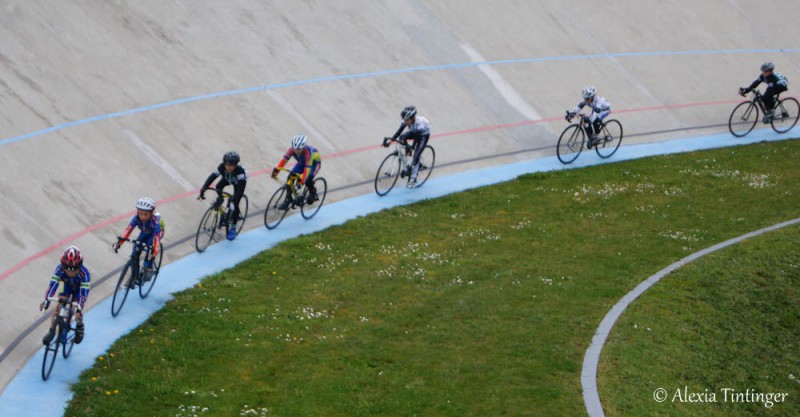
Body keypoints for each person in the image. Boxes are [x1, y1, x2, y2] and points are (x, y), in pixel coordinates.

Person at [40, 246, 91, 345]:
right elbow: (53, 285)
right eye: (68, 270)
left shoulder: (85, 274)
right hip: (67, 287)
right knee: (59, 304)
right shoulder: (59, 269)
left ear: (79, 267)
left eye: (74, 270)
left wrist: (79, 308)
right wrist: (47, 300)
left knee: (75, 308)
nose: (71, 273)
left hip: (78, 290)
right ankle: (51, 331)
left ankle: (80, 326)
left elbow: (83, 294)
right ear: (63, 266)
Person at [112, 197, 164, 285]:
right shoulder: (136, 218)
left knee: (150, 248)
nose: (142, 217)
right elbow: (128, 229)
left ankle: (148, 268)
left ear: (151, 213)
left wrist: (153, 252)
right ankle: (134, 276)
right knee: (135, 251)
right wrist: (119, 243)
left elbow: (156, 240)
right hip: (145, 232)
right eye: (140, 214)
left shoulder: (155, 222)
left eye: (145, 214)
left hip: (156, 234)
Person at [198, 151, 248, 240]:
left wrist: (234, 200)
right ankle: (221, 201)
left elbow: (240, 189)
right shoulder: (221, 167)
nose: (228, 167)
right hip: (228, 179)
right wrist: (203, 189)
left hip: (238, 183)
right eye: (227, 165)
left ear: (236, 165)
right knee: (218, 186)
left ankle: (233, 228)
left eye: (231, 165)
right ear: (224, 163)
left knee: (234, 204)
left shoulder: (240, 171)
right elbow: (212, 177)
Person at [382, 105, 431, 188]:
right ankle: (406, 168)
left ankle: (413, 178)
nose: (404, 122)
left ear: (412, 118)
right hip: (414, 132)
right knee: (402, 137)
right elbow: (399, 131)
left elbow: (415, 137)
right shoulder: (407, 121)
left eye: (406, 120)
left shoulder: (419, 124)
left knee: (416, 155)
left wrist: (410, 147)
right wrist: (391, 141)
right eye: (404, 120)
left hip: (423, 135)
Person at [271, 134, 322, 209]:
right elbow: (284, 160)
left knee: (308, 179)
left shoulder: (308, 154)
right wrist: (277, 170)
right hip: (302, 163)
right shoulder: (291, 150)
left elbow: (307, 170)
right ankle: (288, 199)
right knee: (290, 178)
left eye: (298, 149)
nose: (296, 151)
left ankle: (313, 192)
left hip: (313, 164)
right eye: (295, 148)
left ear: (303, 147)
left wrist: (302, 182)